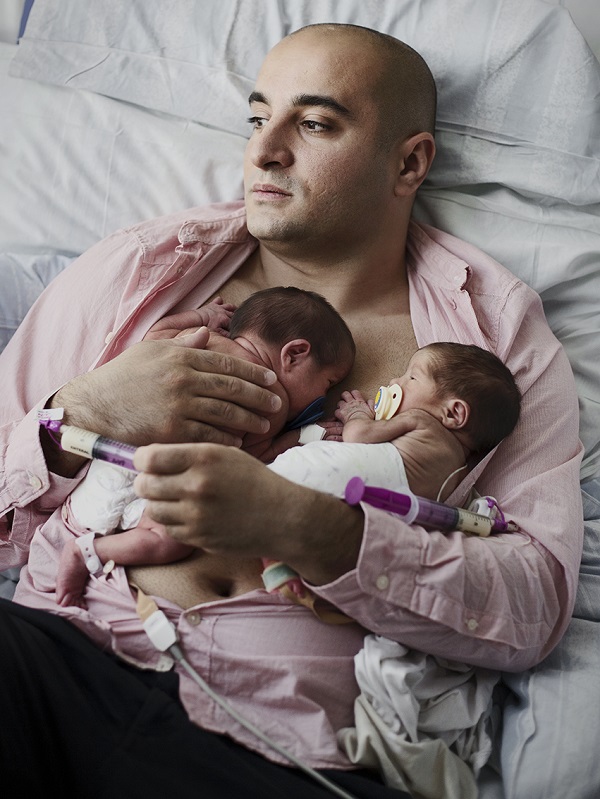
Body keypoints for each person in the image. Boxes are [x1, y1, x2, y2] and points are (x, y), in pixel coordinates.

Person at [0, 22, 583, 799]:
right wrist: (81, 409)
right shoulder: (142, 270)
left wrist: (303, 525)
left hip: (282, 750)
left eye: (313, 123)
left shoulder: (489, 339)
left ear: (409, 162)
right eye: (257, 117)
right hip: (54, 661)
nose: (264, 151)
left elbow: (530, 604)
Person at [55, 286, 354, 608]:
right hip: (153, 471)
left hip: (106, 454)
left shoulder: (198, 338)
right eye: (328, 383)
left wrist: (202, 316)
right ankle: (88, 552)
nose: (324, 398)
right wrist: (303, 436)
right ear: (294, 354)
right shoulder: (271, 398)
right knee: (170, 540)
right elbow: (251, 460)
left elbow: (154, 336)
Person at [263, 341, 521, 606]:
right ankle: (285, 570)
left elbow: (358, 437)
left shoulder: (422, 421)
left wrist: (358, 415)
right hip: (361, 521)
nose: (395, 380)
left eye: (411, 376)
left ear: (453, 412)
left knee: (291, 470)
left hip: (330, 479)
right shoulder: (460, 477)